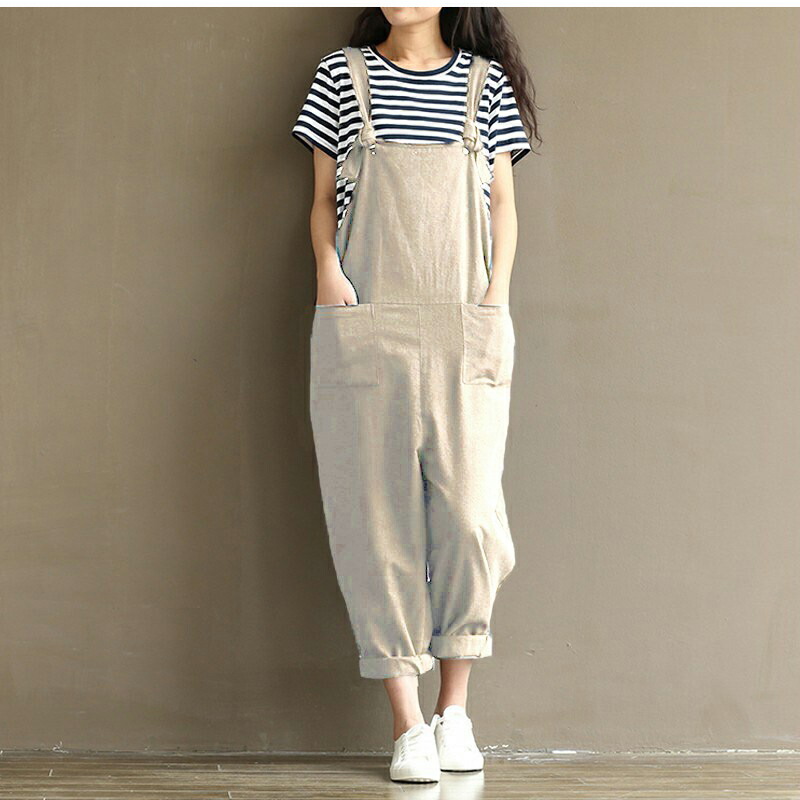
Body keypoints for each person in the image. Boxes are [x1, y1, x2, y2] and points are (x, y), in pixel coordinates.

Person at [292, 7, 540, 784]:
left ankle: (453, 712)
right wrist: (328, 273)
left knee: (470, 518)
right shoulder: (341, 77)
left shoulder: (486, 84)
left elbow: (502, 204)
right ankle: (407, 726)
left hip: (466, 322)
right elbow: (322, 198)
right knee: (376, 525)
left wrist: (495, 296)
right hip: (366, 322)